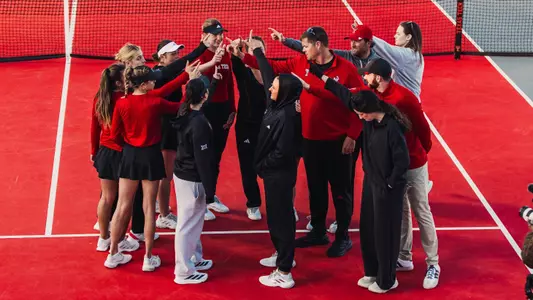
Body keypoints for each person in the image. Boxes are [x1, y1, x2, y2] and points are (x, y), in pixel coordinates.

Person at [236, 26, 364, 257]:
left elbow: (360, 104)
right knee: (316, 188)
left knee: (341, 190)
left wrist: (352, 136)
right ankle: (318, 230)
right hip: (310, 139)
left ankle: (343, 236)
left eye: (305, 46)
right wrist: (244, 56)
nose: (302, 50)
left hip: (338, 142)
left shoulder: (347, 70)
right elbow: (273, 68)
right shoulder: (299, 64)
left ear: (318, 44)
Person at [300, 68, 409, 292]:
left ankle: (387, 280)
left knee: (384, 233)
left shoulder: (392, 128)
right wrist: (321, 75)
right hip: (372, 183)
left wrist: (389, 183)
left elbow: (402, 162)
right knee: (369, 229)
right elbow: (342, 93)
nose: (359, 118)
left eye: (362, 114)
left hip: (387, 188)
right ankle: (372, 272)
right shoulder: (368, 120)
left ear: (370, 110)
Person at [105, 62, 199, 271]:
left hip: (129, 156)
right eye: (152, 79)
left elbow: (114, 136)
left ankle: (112, 254)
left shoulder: (122, 103)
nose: (155, 81)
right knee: (149, 208)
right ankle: (148, 258)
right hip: (151, 157)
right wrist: (189, 81)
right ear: (145, 84)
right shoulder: (155, 101)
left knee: (122, 205)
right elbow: (180, 107)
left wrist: (185, 75)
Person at [358, 58, 440, 289]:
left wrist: (420, 156)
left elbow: (423, 129)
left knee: (421, 210)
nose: (365, 77)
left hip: (413, 163)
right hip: (391, 166)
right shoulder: (375, 96)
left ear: (379, 77)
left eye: (368, 74)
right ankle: (404, 256)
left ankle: (433, 263)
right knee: (401, 210)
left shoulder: (404, 98)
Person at [242, 36, 301, 288]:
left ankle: (285, 271)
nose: (269, 88)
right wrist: (258, 54)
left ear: (284, 91)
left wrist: (263, 166)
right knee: (276, 218)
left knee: (282, 219)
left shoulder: (287, 118)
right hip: (272, 173)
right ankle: (281, 256)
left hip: (278, 173)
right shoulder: (277, 104)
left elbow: (284, 153)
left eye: (274, 87)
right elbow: (267, 75)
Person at [151, 38, 213, 228]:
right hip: (166, 129)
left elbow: (189, 71)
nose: (177, 57)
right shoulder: (160, 75)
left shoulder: (164, 72)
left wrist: (212, 62)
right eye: (173, 54)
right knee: (166, 175)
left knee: (164, 173)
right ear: (162, 57)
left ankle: (158, 205)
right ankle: (164, 214)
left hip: (169, 126)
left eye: (177, 53)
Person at [172, 69, 221, 284]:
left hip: (183, 174)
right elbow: (203, 160)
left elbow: (198, 100)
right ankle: (183, 271)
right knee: (187, 224)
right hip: (193, 178)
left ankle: (194, 257)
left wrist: (213, 84)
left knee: (193, 221)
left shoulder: (185, 111)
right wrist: (210, 190)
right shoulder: (199, 124)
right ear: (204, 96)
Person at [196, 18, 235, 220]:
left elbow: (229, 85)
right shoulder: (200, 56)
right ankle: (199, 201)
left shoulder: (227, 54)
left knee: (216, 156)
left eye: (221, 34)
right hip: (205, 111)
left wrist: (232, 109)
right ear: (204, 36)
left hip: (222, 110)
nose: (220, 37)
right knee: (203, 156)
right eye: (215, 34)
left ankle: (210, 196)